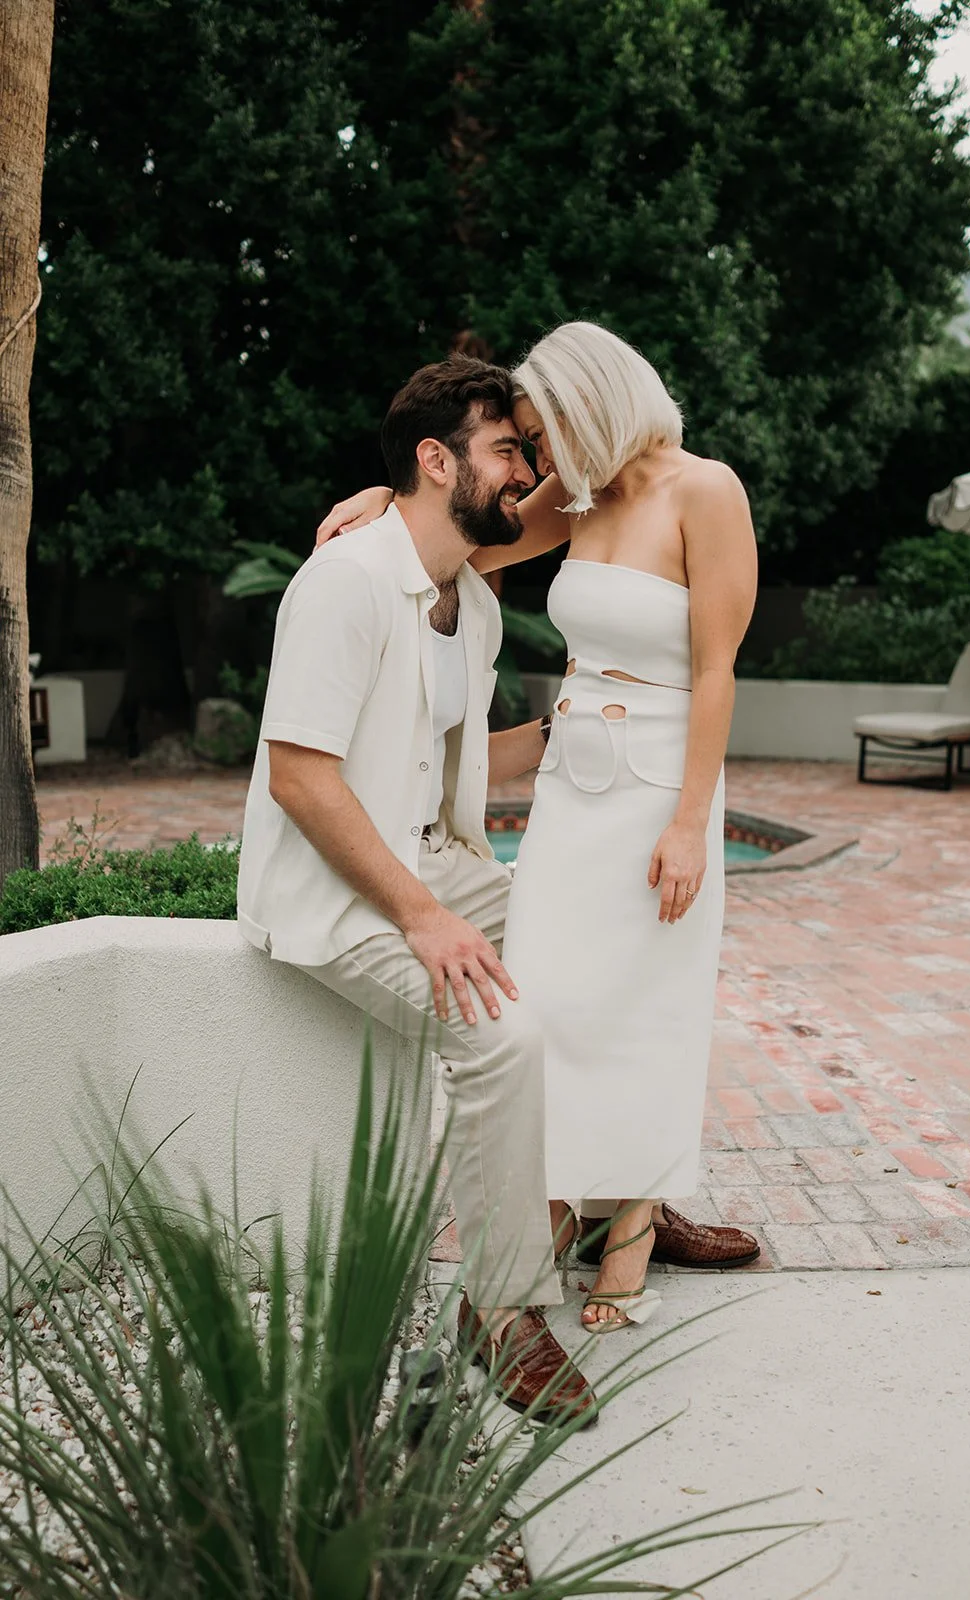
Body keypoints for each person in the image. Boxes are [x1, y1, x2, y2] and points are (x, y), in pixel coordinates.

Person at [317, 322, 761, 1333]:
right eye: (523, 440)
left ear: (592, 405)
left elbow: (716, 671)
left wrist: (691, 822)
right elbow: (470, 530)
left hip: (659, 787)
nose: (533, 460)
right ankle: (558, 1204)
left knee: (651, 1003)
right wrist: (385, 500)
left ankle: (635, 1225)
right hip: (572, 789)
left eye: (542, 432)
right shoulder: (579, 498)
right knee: (554, 1004)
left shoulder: (704, 490)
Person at [237, 355, 596, 1422]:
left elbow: (448, 757)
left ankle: (605, 1200)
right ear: (435, 460)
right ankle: (500, 1308)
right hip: (338, 891)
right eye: (506, 451)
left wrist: (576, 733)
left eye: (529, 452)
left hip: (431, 862)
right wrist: (424, 914)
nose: (527, 475)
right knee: (502, 1035)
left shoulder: (467, 603)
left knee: (597, 950)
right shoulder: (345, 583)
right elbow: (301, 776)